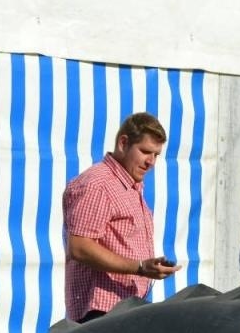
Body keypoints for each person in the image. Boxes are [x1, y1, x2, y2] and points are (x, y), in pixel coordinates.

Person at [61, 113, 182, 322]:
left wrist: (146, 266)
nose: (150, 161)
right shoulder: (97, 184)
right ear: (123, 143)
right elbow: (79, 247)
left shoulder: (128, 184)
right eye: (145, 151)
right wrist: (140, 267)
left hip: (123, 310)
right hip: (99, 313)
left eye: (156, 155)